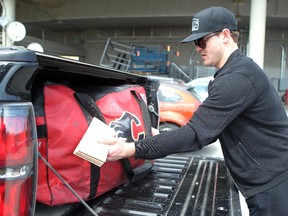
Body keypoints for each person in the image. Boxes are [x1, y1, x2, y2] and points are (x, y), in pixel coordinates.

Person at [101, 6, 288, 216]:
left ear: (225, 35)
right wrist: (161, 138)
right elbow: (206, 128)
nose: (198, 48)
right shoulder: (235, 72)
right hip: (268, 179)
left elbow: (195, 134)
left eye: (202, 41)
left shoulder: (237, 79)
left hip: (273, 183)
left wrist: (130, 149)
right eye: (195, 43)